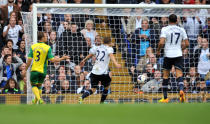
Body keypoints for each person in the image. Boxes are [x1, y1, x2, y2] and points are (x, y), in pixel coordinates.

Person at [22, 32, 70, 104]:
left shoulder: (33, 47)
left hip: (34, 70)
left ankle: (39, 99)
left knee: (33, 85)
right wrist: (62, 58)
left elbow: (29, 60)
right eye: (45, 36)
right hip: (43, 71)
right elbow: (52, 60)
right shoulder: (48, 48)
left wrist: (25, 69)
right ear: (42, 38)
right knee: (40, 85)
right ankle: (35, 101)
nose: (46, 37)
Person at [157, 14, 189, 103]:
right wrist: (180, 49)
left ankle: (165, 98)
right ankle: (181, 90)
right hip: (178, 54)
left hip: (168, 54)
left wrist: (158, 50)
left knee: (166, 76)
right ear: (176, 21)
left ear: (168, 20)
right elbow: (187, 44)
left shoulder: (165, 29)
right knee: (179, 75)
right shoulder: (181, 29)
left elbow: (161, 42)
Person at [79, 37, 121, 104]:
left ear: (103, 42)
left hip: (94, 72)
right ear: (110, 42)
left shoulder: (97, 47)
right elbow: (111, 56)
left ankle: (82, 97)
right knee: (107, 87)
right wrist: (116, 64)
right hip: (103, 73)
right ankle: (101, 102)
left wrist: (84, 60)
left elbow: (90, 54)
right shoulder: (109, 49)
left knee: (93, 89)